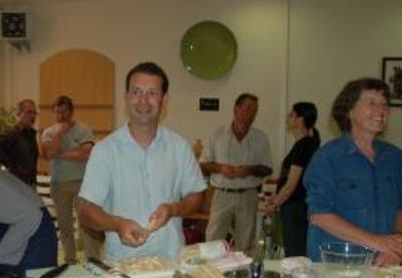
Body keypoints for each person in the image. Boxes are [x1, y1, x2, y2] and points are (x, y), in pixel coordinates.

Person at [77, 62, 206, 261]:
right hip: (123, 264)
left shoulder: (178, 147)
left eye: (152, 93)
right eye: (136, 92)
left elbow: (197, 195)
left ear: (164, 100)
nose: (143, 101)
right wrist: (117, 224)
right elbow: (85, 209)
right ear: (126, 97)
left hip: (170, 260)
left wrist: (173, 209)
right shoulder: (105, 150)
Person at [303, 78, 402, 265]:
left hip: (383, 263)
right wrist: (379, 243)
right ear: (349, 111)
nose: (381, 110)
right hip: (335, 265)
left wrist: (395, 245)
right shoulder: (328, 157)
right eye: (372, 102)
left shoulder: (394, 157)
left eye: (385, 104)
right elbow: (319, 215)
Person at [200, 93, 272, 253]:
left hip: (248, 195)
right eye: (248, 108)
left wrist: (249, 170)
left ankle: (242, 274)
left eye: (255, 110)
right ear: (236, 109)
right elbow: (202, 165)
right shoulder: (217, 135)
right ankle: (211, 275)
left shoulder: (260, 138)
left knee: (246, 243)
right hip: (222, 194)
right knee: (213, 239)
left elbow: (268, 168)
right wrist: (221, 169)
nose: (252, 113)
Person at [40, 95, 100, 264]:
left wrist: (59, 154)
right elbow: (48, 153)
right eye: (58, 112)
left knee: (87, 223)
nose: (61, 116)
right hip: (59, 184)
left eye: (65, 112)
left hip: (83, 182)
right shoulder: (49, 132)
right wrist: (60, 133)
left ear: (72, 111)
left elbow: (85, 153)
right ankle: (70, 260)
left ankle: (93, 259)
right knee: (65, 225)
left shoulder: (84, 129)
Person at [264, 102, 320, 256]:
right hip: (294, 206)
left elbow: (291, 184)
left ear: (300, 120)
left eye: (291, 115)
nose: (287, 118)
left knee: (295, 251)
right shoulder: (305, 144)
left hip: (296, 208)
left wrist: (274, 203)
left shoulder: (304, 146)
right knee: (294, 248)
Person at [0, 98, 39, 187]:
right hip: (16, 182)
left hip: (30, 182)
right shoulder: (12, 133)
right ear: (19, 114)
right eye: (29, 112)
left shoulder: (31, 134)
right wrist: (11, 166)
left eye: (34, 113)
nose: (32, 116)